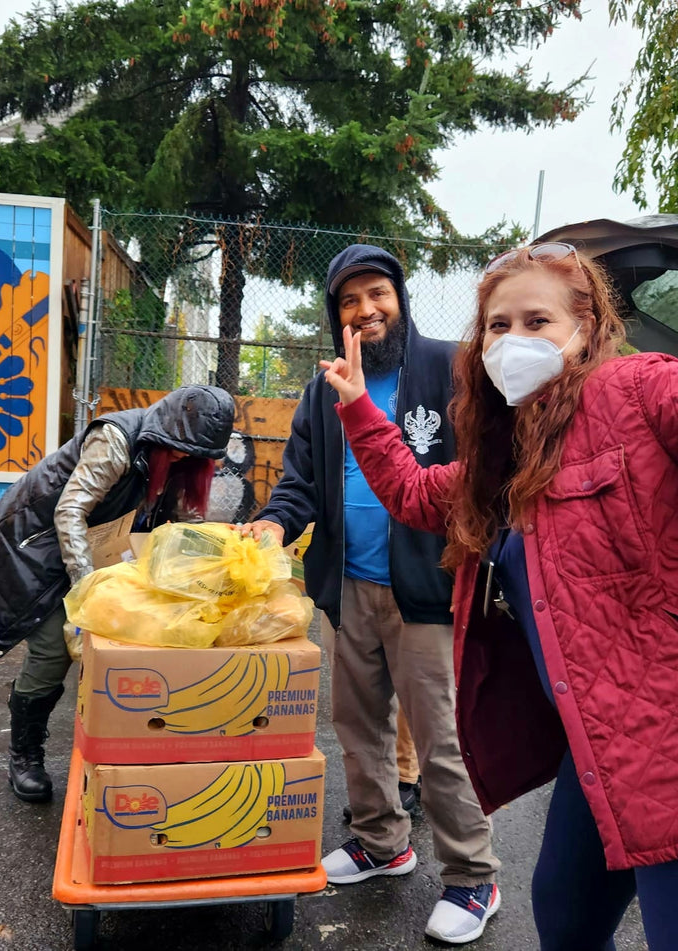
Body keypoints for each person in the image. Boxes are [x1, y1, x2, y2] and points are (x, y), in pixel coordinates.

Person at [323, 242, 678, 950]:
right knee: (565, 915)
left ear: (588, 327)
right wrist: (361, 409)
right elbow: (413, 491)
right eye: (497, 324)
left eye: (537, 320)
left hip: (665, 740)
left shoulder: (636, 390)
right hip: (598, 745)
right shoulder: (507, 460)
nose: (514, 340)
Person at [243, 244, 501, 945]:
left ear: (399, 296)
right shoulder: (324, 388)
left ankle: (474, 875)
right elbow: (300, 479)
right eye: (350, 300)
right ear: (337, 317)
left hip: (427, 588)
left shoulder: (449, 367)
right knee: (359, 731)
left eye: (376, 293)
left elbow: (482, 471)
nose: (366, 309)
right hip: (349, 585)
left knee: (444, 742)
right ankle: (382, 842)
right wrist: (272, 522)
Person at [0, 385, 234, 803]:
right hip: (35, 546)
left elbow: (178, 525)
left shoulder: (182, 456)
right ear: (165, 430)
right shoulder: (116, 441)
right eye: (179, 448)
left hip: (95, 545)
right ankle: (24, 755)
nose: (183, 458)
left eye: (194, 453)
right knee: (53, 648)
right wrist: (87, 593)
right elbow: (69, 511)